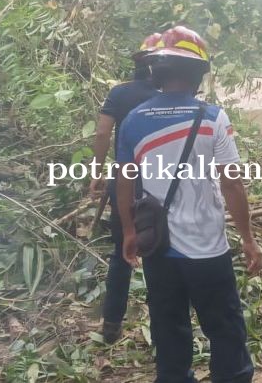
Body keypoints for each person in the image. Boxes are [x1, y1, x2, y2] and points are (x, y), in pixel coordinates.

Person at [116, 26, 262, 383]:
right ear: (199, 74)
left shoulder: (134, 121)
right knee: (224, 325)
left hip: (159, 247)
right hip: (207, 248)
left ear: (155, 73)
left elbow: (123, 180)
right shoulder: (213, 118)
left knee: (168, 326)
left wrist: (129, 231)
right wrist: (247, 238)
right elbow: (231, 183)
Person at [89, 33, 161, 344]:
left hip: (124, 179)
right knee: (162, 251)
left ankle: (111, 326)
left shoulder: (119, 94)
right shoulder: (167, 99)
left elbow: (103, 132)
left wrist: (96, 170)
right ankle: (164, 329)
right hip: (161, 180)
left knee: (121, 252)